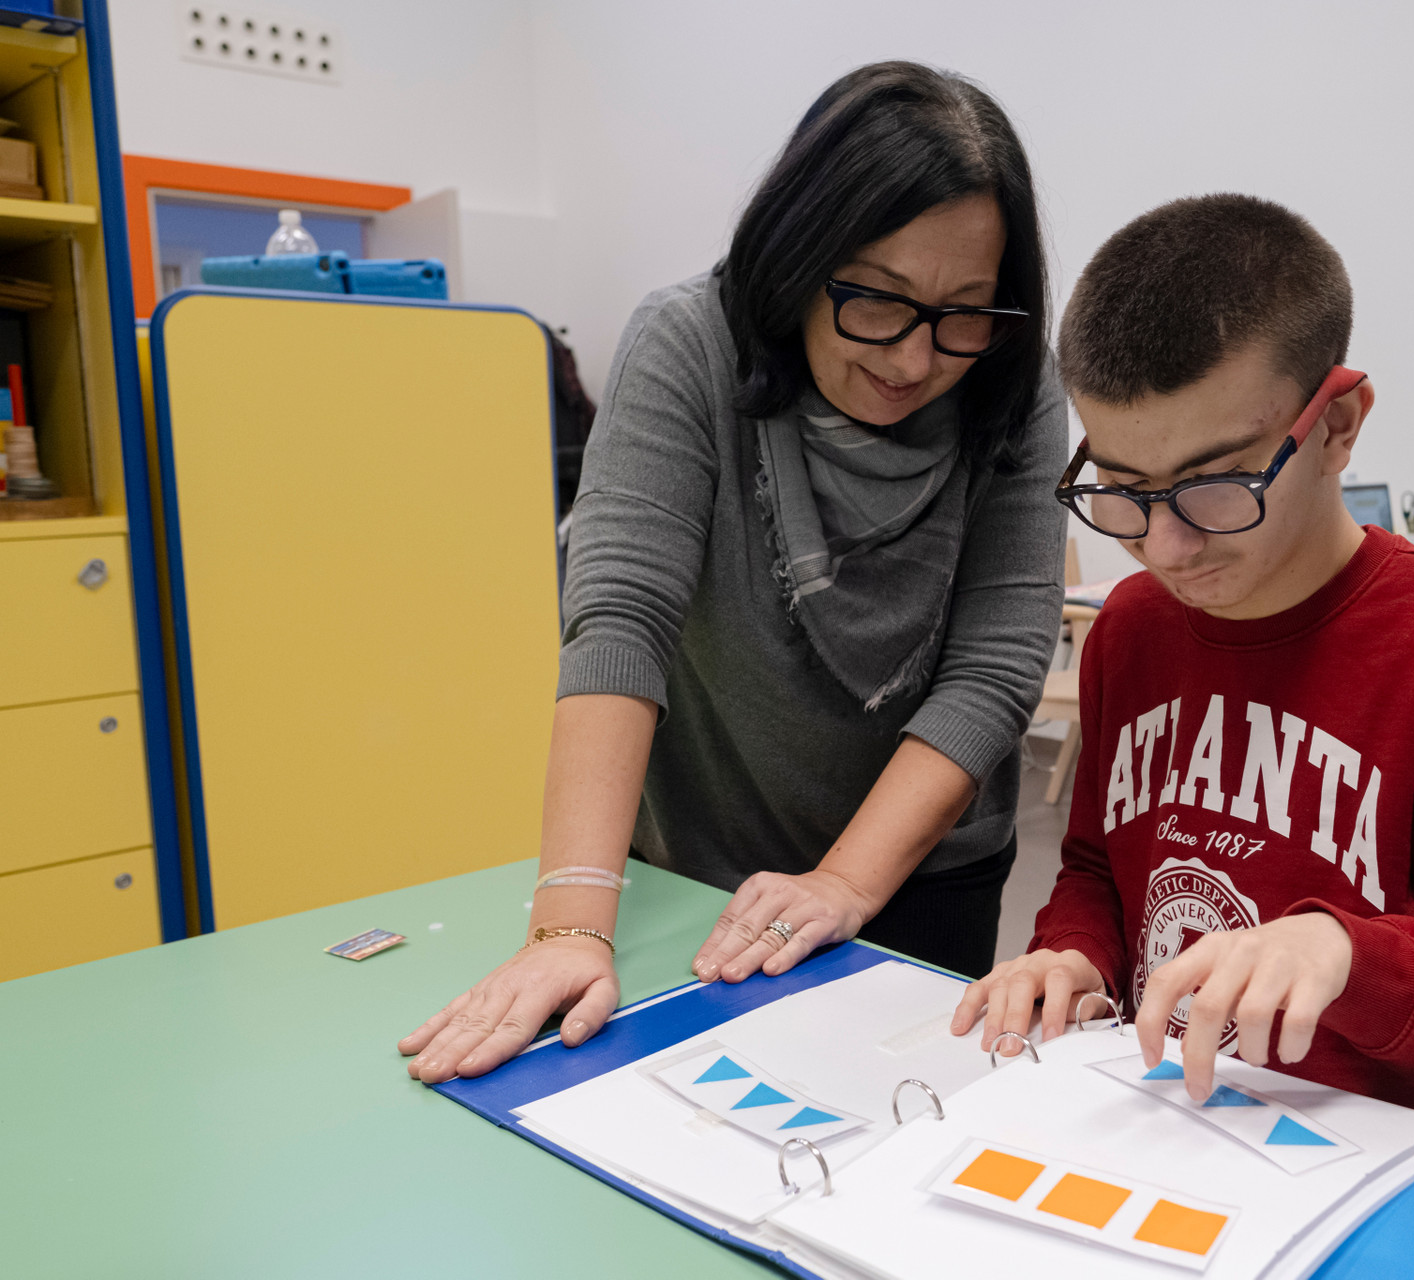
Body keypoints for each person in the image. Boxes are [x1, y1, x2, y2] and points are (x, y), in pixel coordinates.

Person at [401, 62, 1066, 1085]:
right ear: (800, 255)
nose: (913, 357)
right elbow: (621, 620)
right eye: (877, 300)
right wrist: (569, 925)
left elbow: (995, 665)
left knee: (889, 1155)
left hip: (923, 869)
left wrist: (847, 878)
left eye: (964, 313)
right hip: (704, 873)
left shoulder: (1013, 388)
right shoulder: (692, 345)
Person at [951, 194, 1414, 1139]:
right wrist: (1075, 954)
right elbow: (1101, 870)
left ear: (1339, 425)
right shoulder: (1134, 630)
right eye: (1122, 490)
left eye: (1216, 486)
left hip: (1366, 1176)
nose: (1166, 547)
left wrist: (1359, 958)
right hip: (1165, 1136)